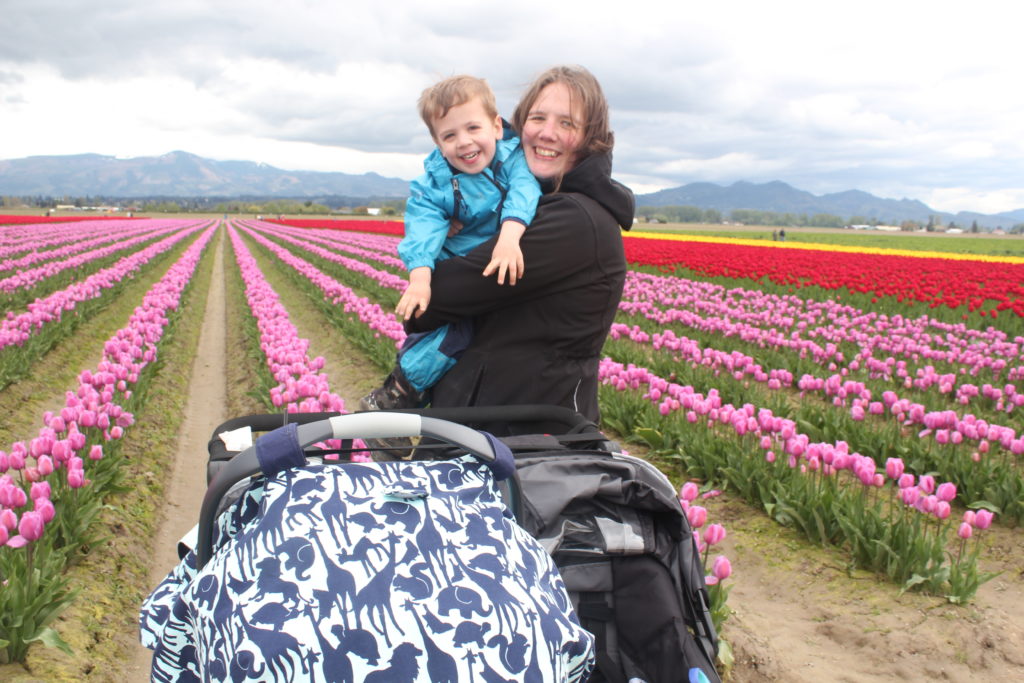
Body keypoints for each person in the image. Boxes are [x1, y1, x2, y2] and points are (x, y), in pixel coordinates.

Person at [401, 65, 635, 426]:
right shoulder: (531, 199)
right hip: (489, 423)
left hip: (528, 438)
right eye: (537, 117)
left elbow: (429, 306)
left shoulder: (573, 220)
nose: (546, 133)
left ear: (591, 138)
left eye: (567, 124)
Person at [359, 75, 542, 417]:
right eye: (450, 135)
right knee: (448, 338)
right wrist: (420, 279)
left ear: (497, 127)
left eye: (473, 128)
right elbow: (422, 228)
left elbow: (525, 190)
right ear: (437, 142)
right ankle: (398, 394)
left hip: (500, 256)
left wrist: (509, 236)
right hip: (456, 267)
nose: (464, 142)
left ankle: (408, 397)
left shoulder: (514, 159)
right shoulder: (436, 183)